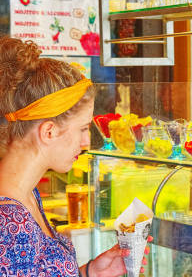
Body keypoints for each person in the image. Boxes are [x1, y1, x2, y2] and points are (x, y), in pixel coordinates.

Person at [0, 37, 148, 276]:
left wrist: (90, 272)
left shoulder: (28, 195)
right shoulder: (11, 222)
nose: (86, 142)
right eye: (82, 129)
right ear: (49, 131)